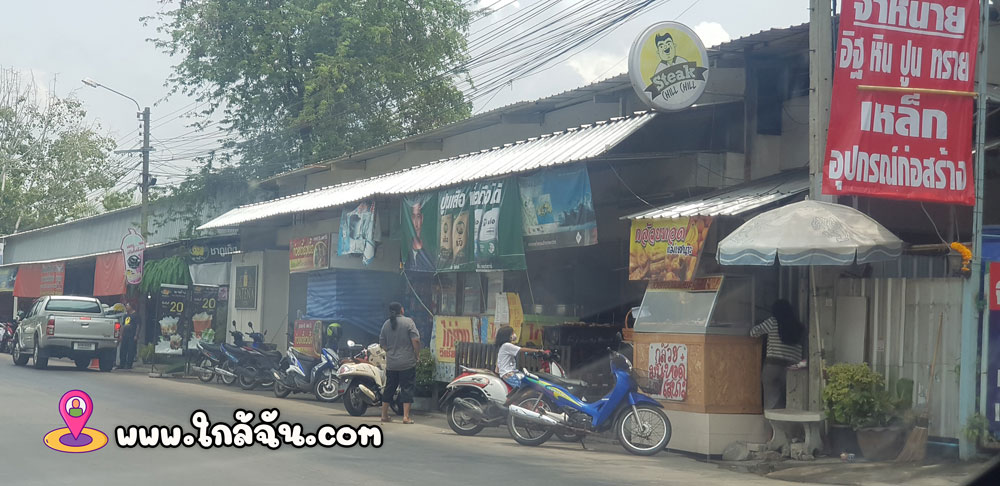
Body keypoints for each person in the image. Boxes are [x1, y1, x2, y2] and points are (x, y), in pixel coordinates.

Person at [749, 299, 805, 410]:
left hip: (773, 366)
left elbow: (753, 333)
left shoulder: (773, 322)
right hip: (792, 369)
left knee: (772, 402)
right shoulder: (799, 327)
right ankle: (789, 426)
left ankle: (774, 426)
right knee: (789, 401)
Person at [379, 302, 420, 424]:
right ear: (402, 310)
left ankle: (384, 415)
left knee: (389, 388)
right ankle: (406, 417)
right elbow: (416, 340)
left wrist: (391, 351)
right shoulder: (409, 322)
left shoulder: (386, 324)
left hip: (392, 363)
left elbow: (382, 344)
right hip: (407, 363)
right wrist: (417, 354)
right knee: (407, 388)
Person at [118, 302, 140, 369]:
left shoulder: (136, 315)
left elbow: (138, 326)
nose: (126, 307)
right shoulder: (126, 316)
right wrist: (121, 335)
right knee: (123, 350)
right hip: (125, 335)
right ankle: (122, 364)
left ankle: (129, 364)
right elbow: (122, 325)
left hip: (132, 335)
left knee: (131, 350)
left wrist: (136, 335)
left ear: (131, 306)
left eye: (127, 305)